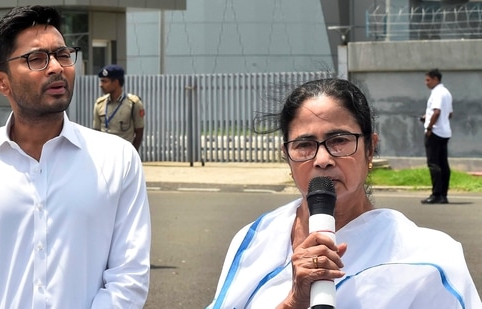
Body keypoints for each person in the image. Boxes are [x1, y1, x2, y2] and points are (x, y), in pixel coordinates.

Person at [0, 5, 151, 308]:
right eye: (36, 59)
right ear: (0, 81)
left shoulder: (117, 160)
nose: (57, 67)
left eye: (63, 55)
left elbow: (129, 276)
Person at [206, 78, 481, 309]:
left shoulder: (430, 261)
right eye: (304, 144)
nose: (322, 159)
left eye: (339, 141)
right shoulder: (254, 239)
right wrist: (292, 303)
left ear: (370, 148)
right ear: (286, 157)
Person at [419, 68, 453, 204]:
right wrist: (426, 117)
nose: (426, 83)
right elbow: (449, 114)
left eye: (428, 80)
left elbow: (437, 112)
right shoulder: (446, 93)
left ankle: (436, 194)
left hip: (435, 132)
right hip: (445, 132)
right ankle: (443, 195)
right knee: (443, 163)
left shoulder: (437, 93)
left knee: (434, 164)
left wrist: (429, 127)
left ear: (435, 79)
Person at [93, 64, 145, 151]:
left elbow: (139, 131)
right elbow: (96, 132)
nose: (100, 85)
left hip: (124, 153)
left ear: (116, 82)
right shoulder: (100, 104)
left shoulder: (133, 104)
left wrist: (133, 153)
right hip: (104, 153)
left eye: (104, 81)